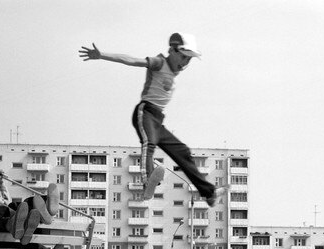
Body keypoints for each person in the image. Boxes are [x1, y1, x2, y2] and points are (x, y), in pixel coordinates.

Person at [78, 33, 219, 207]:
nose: (184, 63)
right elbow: (132, 60)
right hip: (145, 113)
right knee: (149, 143)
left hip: (158, 120)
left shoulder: (174, 71)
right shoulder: (160, 63)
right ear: (171, 51)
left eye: (188, 60)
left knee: (183, 151)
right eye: (182, 57)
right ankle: (147, 183)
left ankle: (209, 193)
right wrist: (102, 55)